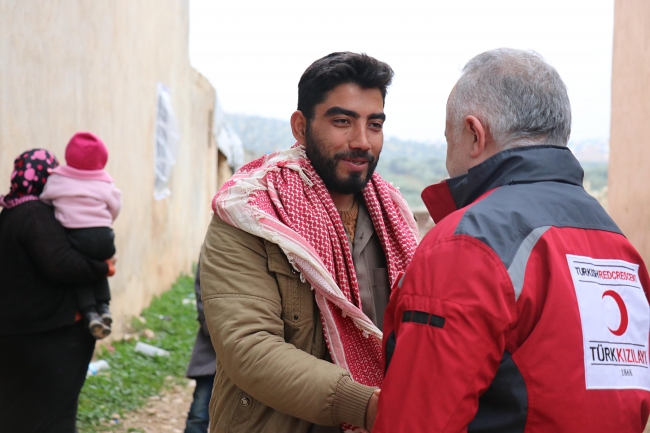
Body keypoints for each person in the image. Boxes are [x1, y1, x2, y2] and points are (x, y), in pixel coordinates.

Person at [372, 48, 650, 432]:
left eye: (447, 138)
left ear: (474, 133)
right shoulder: (618, 247)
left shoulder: (467, 244)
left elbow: (416, 420)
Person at [200, 52, 420, 432]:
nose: (362, 141)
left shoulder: (394, 220)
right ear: (301, 127)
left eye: (375, 124)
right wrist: (371, 408)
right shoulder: (253, 215)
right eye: (342, 121)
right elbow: (248, 348)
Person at [0, 149, 114, 433]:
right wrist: (103, 267)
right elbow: (62, 264)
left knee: (18, 411)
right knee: (54, 415)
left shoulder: (9, 212)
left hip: (17, 335)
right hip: (49, 337)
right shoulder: (35, 214)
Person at [40, 132, 122, 339]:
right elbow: (115, 206)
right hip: (104, 236)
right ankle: (104, 307)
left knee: (81, 271)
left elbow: (46, 200)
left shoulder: (57, 179)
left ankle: (89, 312)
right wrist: (104, 222)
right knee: (99, 266)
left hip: (77, 236)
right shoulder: (106, 183)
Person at [184, 258, 216, 433]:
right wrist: (214, 331)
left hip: (249, 351)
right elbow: (202, 292)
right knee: (199, 413)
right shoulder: (214, 246)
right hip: (212, 346)